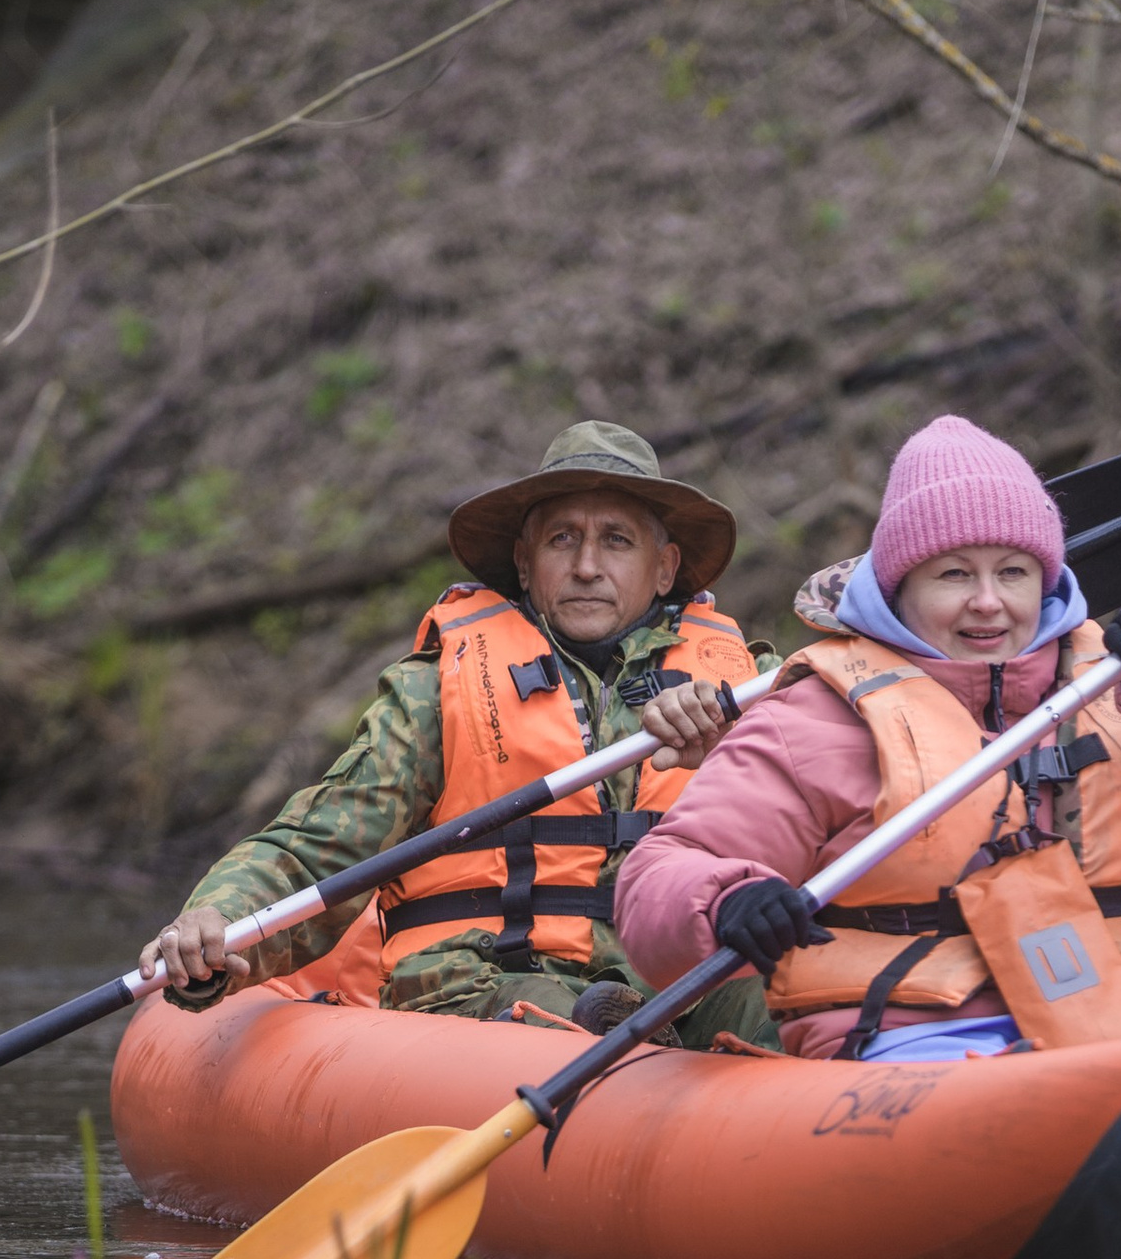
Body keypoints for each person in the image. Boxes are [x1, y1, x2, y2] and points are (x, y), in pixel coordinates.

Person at [611, 413, 1121, 1064]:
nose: (988, 602)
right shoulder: (815, 716)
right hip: (907, 1040)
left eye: (1014, 573)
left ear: (1048, 582)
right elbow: (661, 877)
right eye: (954, 574)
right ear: (900, 588)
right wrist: (725, 903)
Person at [138, 422, 775, 1045]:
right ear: (524, 565)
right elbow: (317, 848)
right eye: (562, 540)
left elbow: (843, 782)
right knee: (563, 1016)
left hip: (676, 976)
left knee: (776, 993)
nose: (587, 566)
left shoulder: (745, 687)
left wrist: (736, 740)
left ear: (664, 569)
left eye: (616, 540)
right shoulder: (434, 689)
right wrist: (220, 917)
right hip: (487, 979)